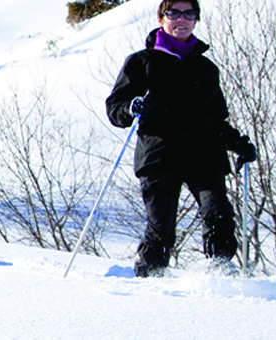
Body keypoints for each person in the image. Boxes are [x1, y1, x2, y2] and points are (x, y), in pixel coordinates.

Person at [105, 0, 258, 278]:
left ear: (196, 20)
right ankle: (151, 277)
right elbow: (115, 108)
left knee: (219, 213)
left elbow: (216, 118)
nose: (181, 19)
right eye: (173, 13)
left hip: (204, 154)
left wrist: (237, 144)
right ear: (161, 18)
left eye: (188, 14)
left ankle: (222, 272)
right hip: (160, 155)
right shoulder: (142, 62)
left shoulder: (206, 69)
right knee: (161, 227)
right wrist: (131, 107)